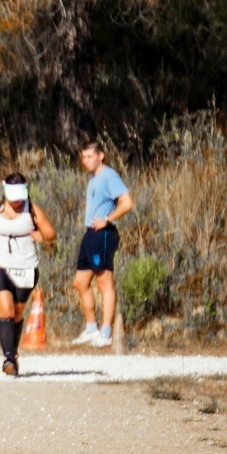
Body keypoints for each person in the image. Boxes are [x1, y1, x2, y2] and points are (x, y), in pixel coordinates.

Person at [0, 173, 57, 375]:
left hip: (26, 267)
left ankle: (13, 352)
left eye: (20, 195)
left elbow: (52, 234)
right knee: (6, 311)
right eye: (13, 195)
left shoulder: (33, 210)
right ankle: (8, 359)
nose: (17, 200)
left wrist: (42, 236)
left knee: (17, 314)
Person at [71, 141, 134, 347]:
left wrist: (107, 219)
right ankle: (91, 328)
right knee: (80, 282)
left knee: (104, 282)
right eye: (83, 157)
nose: (86, 161)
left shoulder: (109, 176)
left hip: (103, 233)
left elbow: (127, 202)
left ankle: (106, 333)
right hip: (90, 233)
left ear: (101, 156)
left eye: (89, 156)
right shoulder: (93, 180)